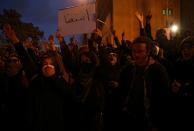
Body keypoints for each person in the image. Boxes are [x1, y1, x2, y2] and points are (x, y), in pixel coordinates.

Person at [121, 36, 171, 131]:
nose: (136, 55)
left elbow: (164, 98)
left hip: (150, 119)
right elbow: (123, 91)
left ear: (148, 52)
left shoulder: (158, 70)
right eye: (134, 51)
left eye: (140, 51)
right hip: (131, 117)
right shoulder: (128, 69)